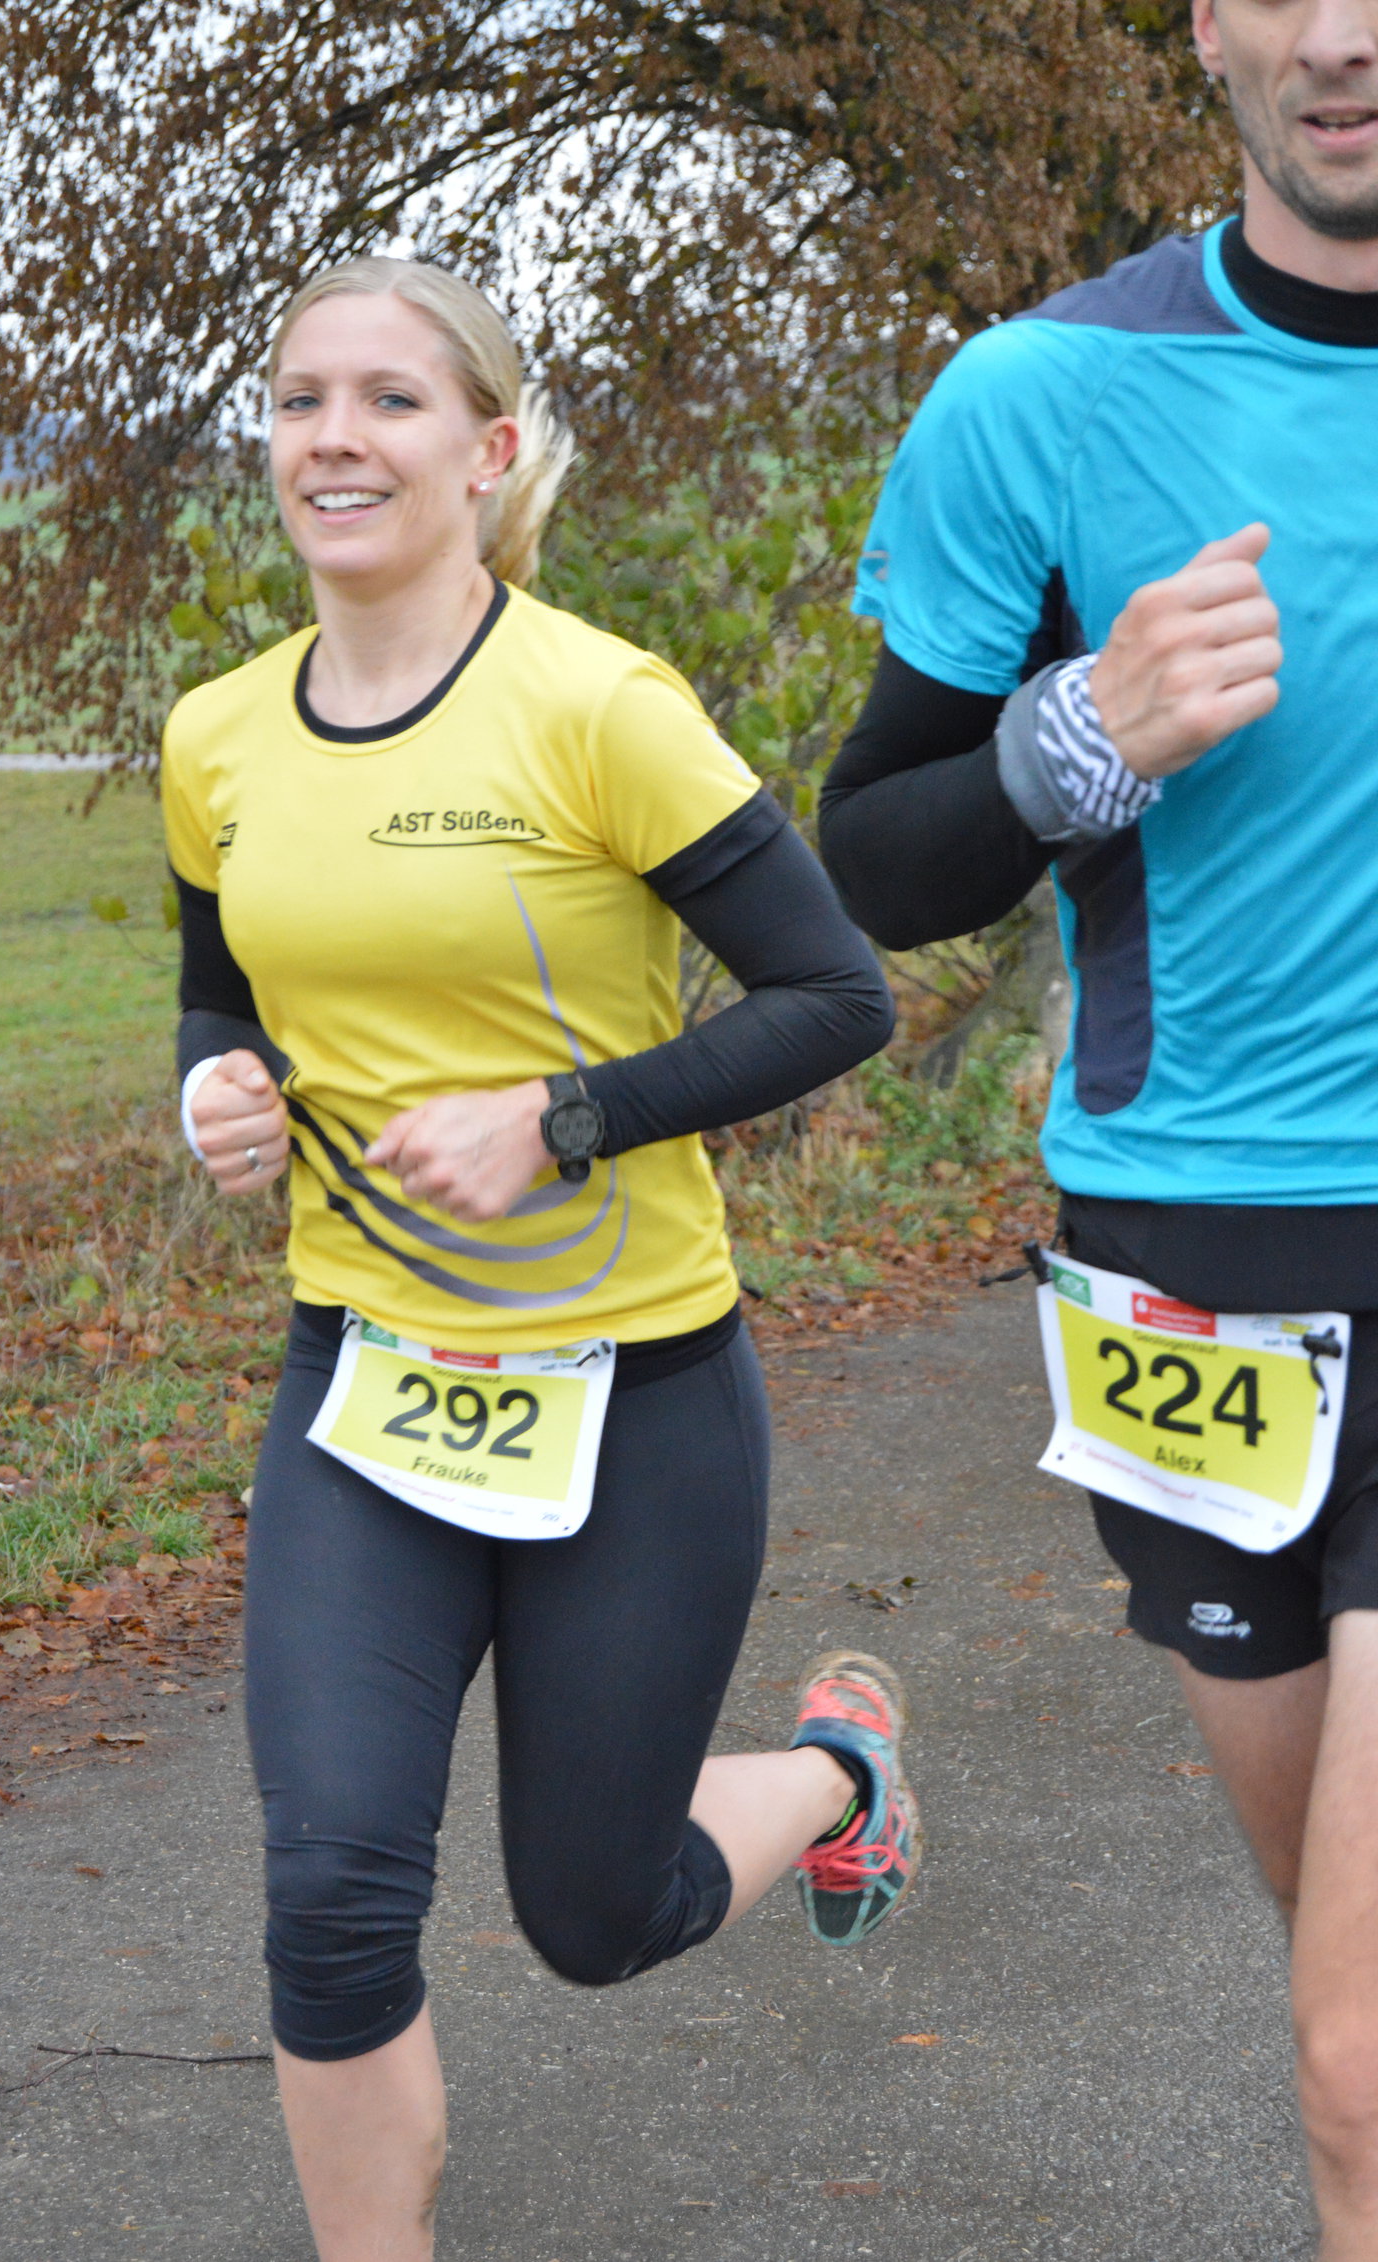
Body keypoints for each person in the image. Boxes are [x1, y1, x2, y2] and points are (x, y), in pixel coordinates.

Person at [160, 252, 918, 2260]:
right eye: (301, 397)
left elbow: (837, 996)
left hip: (632, 1398)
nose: (335, 438)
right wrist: (215, 1091)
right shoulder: (218, 737)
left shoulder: (595, 707)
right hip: (367, 1384)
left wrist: (562, 1115)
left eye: (391, 400)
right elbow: (218, 996)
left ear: (490, 451)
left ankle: (841, 1771)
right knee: (331, 1896)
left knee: (595, 1913)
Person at [818, 1, 1378, 2249]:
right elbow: (869, 863)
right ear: (1206, 24)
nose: (1342, 37)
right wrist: (1084, 739)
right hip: (1185, 1267)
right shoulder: (1038, 394)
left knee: (1355, 2056)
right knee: (1332, 1966)